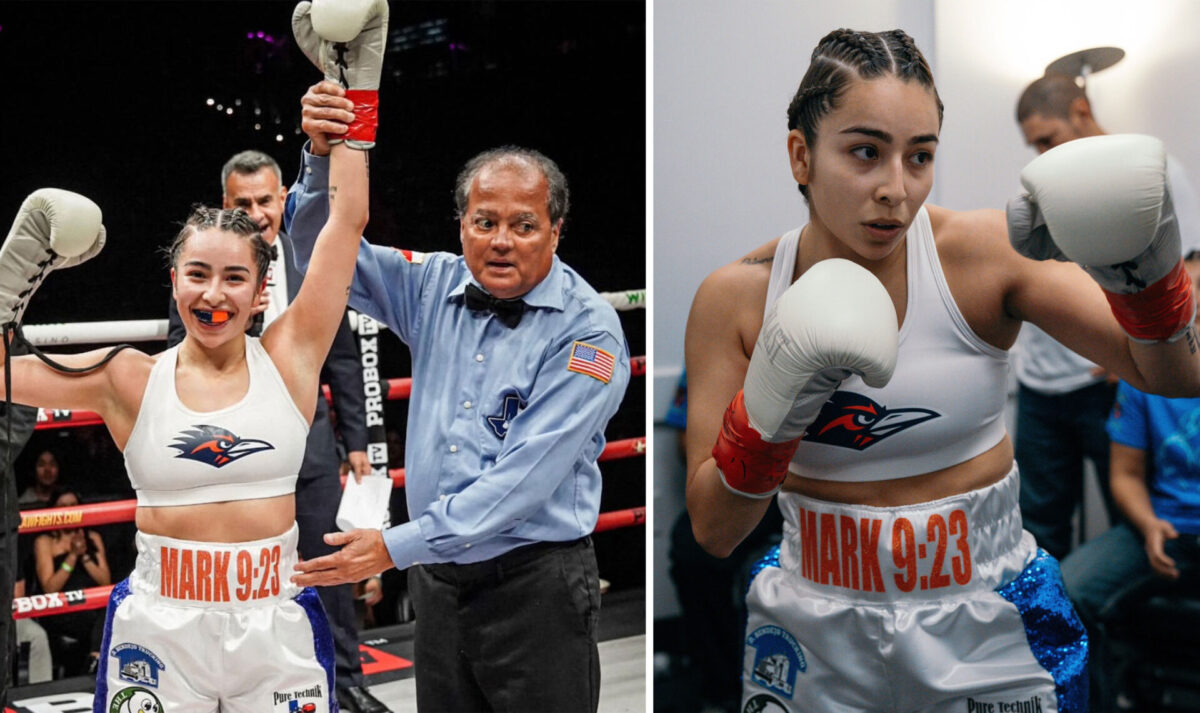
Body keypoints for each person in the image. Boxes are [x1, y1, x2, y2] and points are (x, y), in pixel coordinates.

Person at [684, 28, 1200, 713]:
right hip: (817, 626)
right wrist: (773, 405)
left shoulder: (981, 255)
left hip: (988, 619)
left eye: (919, 155)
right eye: (866, 152)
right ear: (801, 155)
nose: (897, 189)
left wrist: (1149, 280)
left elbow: (1170, 373)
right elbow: (714, 529)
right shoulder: (738, 297)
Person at [0, 1, 381, 706]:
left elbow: (347, 221)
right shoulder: (127, 376)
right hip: (161, 631)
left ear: (261, 289)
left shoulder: (290, 358)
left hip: (273, 620)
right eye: (198, 274)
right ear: (173, 281)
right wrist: (7, 283)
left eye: (234, 276)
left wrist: (359, 94)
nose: (214, 294)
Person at [287, 80, 631, 713]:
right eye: (485, 222)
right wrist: (318, 154)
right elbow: (319, 258)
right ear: (462, 225)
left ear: (556, 230)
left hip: (536, 587)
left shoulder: (587, 333)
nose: (501, 240)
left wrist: (394, 546)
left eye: (523, 225)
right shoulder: (434, 286)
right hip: (439, 585)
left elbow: (521, 483)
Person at [165, 149, 388, 713]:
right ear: (226, 204)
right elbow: (176, 351)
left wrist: (357, 444)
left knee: (326, 562)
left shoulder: (307, 258)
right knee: (247, 573)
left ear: (283, 199)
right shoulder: (204, 270)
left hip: (308, 445)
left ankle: (346, 680)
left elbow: (340, 355)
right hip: (231, 453)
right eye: (244, 202)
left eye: (266, 200)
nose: (258, 212)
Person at [1012, 72, 1200, 559]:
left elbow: (1192, 268)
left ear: (1080, 112)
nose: (1040, 153)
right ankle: (1051, 635)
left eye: (1047, 139)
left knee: (1128, 524)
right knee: (1040, 533)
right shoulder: (1045, 184)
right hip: (1038, 386)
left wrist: (1141, 347)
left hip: (1108, 379)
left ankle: (1120, 630)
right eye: (1034, 145)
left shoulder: (1154, 169)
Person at [1059, 252, 1200, 712]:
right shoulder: (1147, 374)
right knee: (1069, 589)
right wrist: (1149, 525)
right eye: (1187, 295)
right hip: (1165, 528)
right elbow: (1126, 474)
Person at [31, 490, 111, 676]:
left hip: (93, 607)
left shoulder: (92, 537)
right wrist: (72, 556)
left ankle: (94, 659)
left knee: (111, 609)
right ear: (53, 510)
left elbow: (105, 581)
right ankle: (94, 662)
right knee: (96, 620)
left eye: (73, 505)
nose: (68, 511)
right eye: (63, 506)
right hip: (63, 608)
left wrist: (84, 555)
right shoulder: (45, 541)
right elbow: (50, 587)